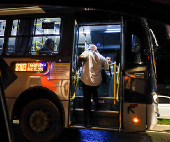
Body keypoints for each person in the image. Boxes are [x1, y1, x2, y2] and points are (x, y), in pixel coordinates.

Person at [77, 44, 109, 127]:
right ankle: (97, 105)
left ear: (89, 49)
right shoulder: (101, 57)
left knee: (86, 102)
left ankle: (87, 122)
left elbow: (80, 57)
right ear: (96, 50)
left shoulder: (87, 53)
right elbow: (107, 68)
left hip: (87, 81)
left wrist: (78, 65)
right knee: (94, 90)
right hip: (96, 82)